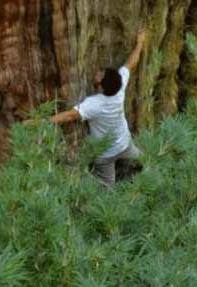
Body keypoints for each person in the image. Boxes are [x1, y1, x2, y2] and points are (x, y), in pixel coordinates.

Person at [43, 29, 146, 185]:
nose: (97, 72)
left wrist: (42, 121)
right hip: (125, 144)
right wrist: (140, 43)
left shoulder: (95, 104)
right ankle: (155, 171)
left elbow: (70, 116)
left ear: (101, 88)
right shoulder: (120, 86)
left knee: (106, 187)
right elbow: (130, 64)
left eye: (99, 75)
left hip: (105, 154)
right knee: (147, 159)